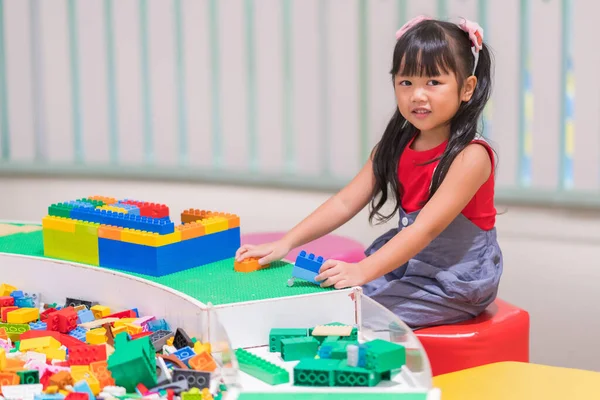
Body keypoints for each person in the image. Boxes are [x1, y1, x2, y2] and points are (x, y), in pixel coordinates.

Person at [235, 15, 502, 329]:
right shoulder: (396, 145)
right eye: (406, 82)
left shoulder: (471, 156)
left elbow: (424, 230)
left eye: (433, 82)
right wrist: (287, 242)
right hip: (409, 263)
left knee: (354, 316)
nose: (417, 94)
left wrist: (361, 271)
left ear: (467, 88)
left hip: (454, 279)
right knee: (329, 297)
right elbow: (345, 202)